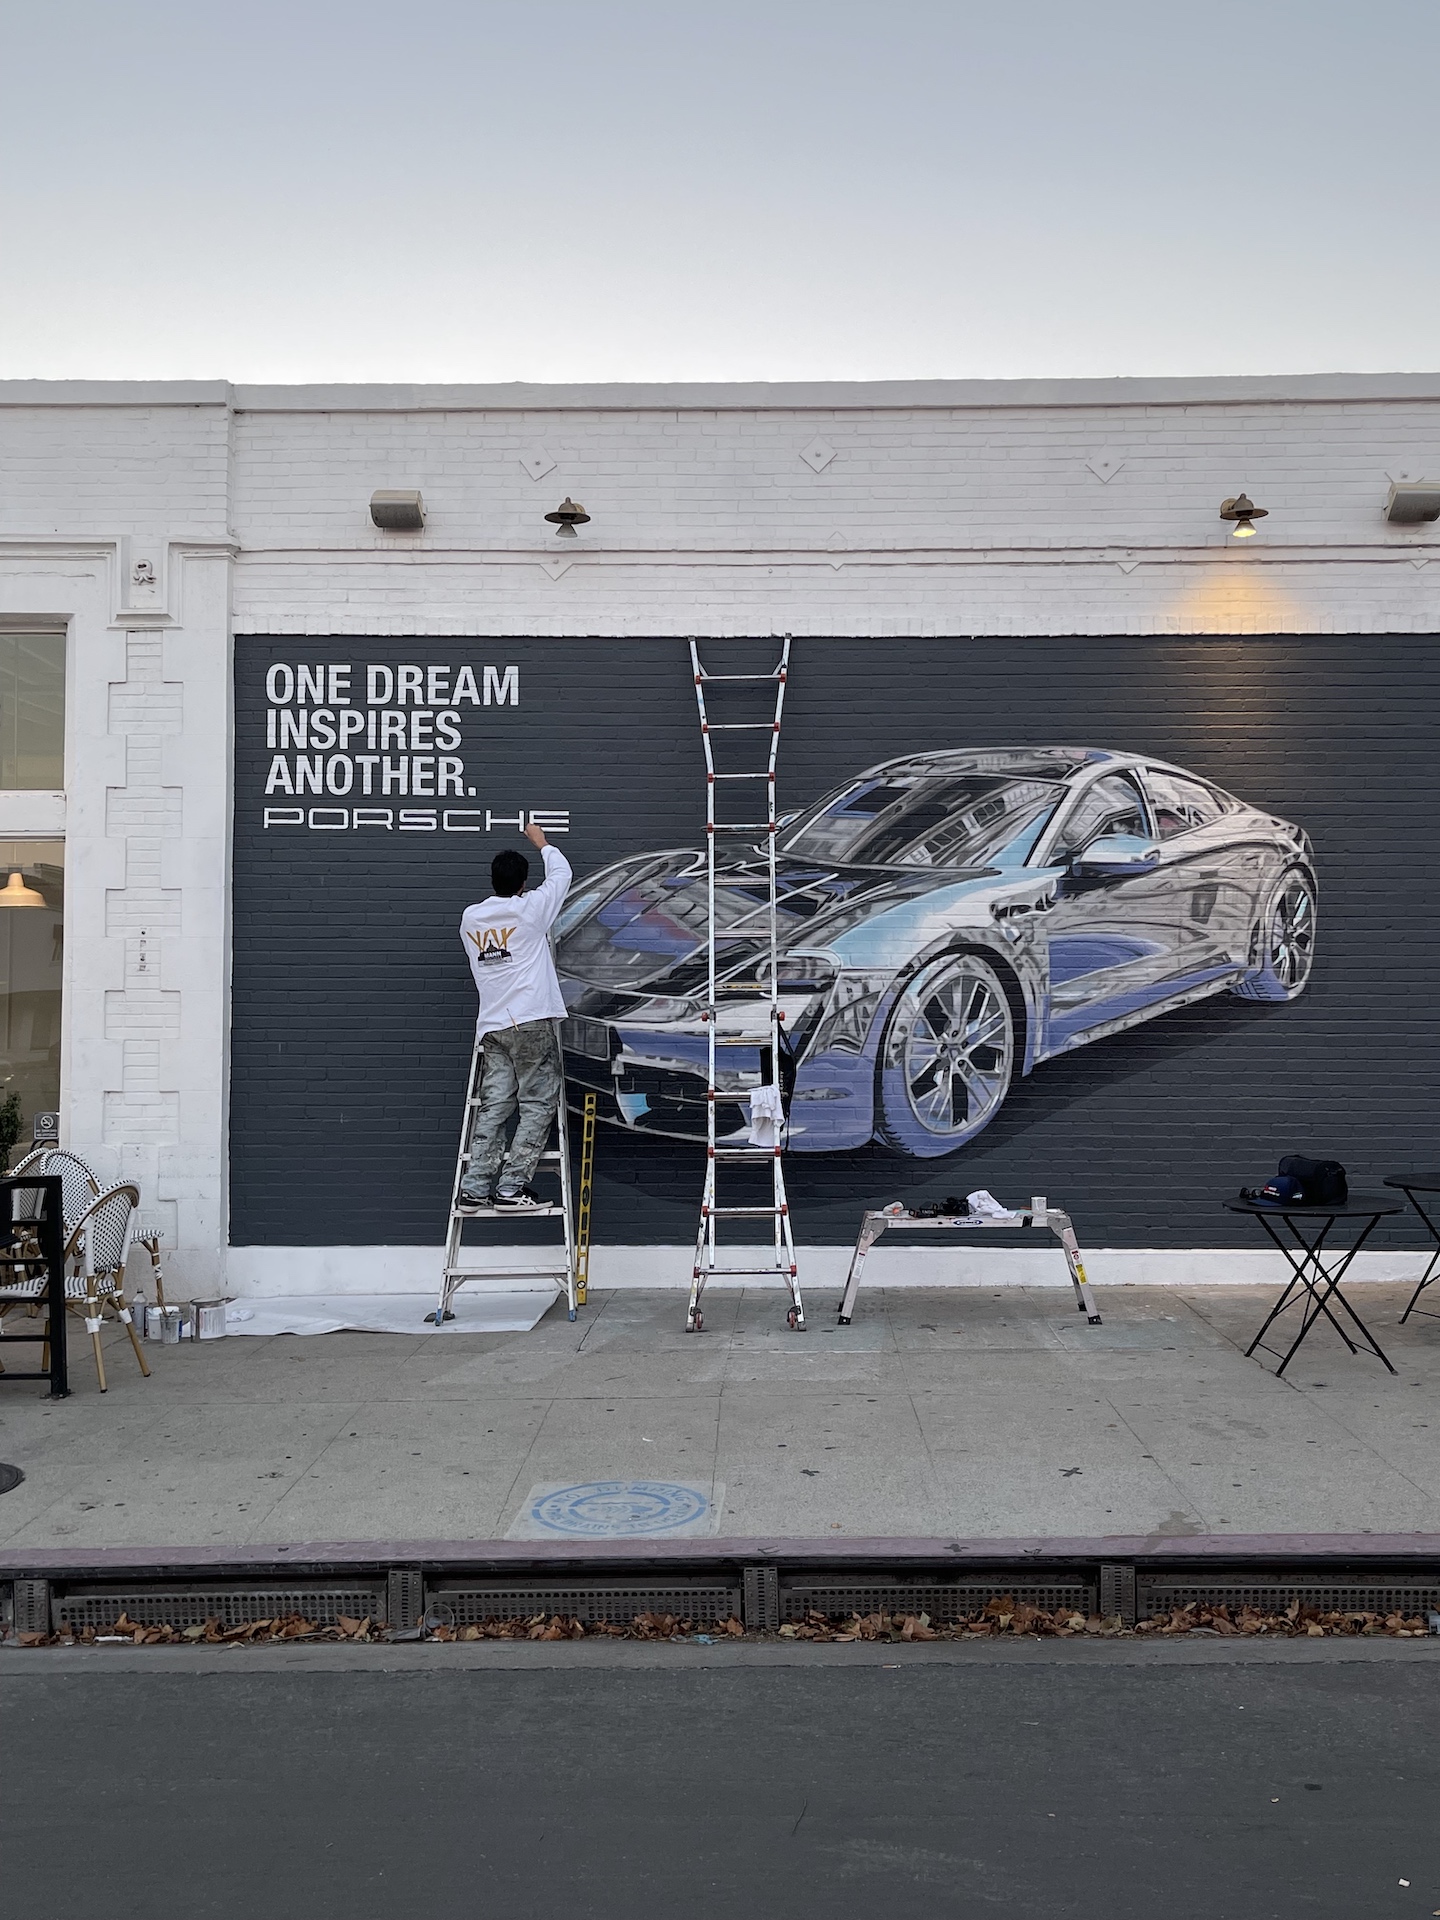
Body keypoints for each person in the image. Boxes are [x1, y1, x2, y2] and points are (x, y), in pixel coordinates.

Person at [457, 821, 572, 1209]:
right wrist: (541, 842)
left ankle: (474, 1188)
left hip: (493, 1027)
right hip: (531, 1022)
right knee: (538, 1102)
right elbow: (562, 875)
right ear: (523, 884)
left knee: (496, 1105)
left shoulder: (471, 919)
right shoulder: (530, 911)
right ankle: (511, 1188)